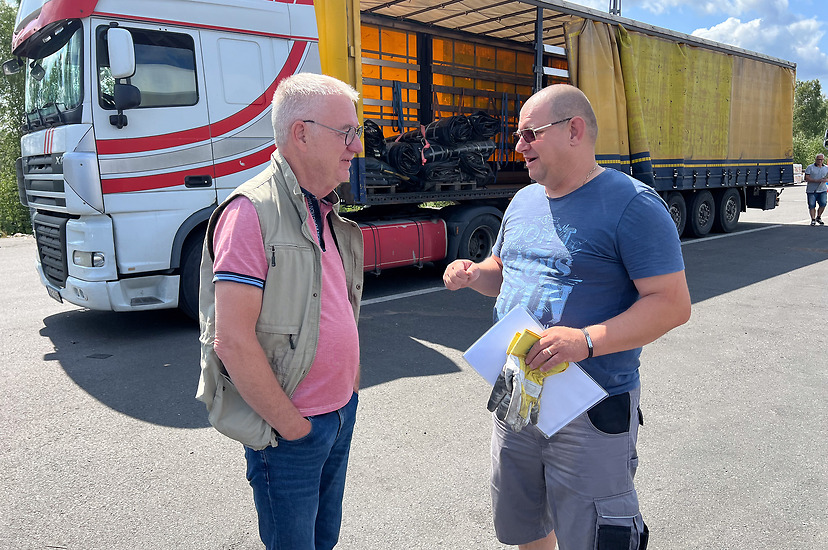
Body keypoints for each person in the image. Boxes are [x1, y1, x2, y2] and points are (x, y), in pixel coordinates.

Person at [443, 84, 691, 550]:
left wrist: (586, 340)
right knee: (525, 523)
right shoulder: (523, 201)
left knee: (596, 534)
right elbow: (504, 271)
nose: (519, 147)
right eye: (518, 136)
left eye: (529, 134)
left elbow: (672, 303)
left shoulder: (633, 205)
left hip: (590, 405)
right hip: (517, 391)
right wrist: (475, 274)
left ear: (574, 130)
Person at [196, 73, 365, 550]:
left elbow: (340, 305)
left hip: (338, 416)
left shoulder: (324, 209)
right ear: (301, 133)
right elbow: (231, 340)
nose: (356, 146)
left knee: (324, 539)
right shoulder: (251, 213)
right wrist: (294, 429)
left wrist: (350, 392)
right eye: (347, 132)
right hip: (291, 433)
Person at [804, 153, 828, 226]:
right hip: (811, 190)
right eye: (818, 159)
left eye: (821, 159)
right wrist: (816, 180)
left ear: (823, 160)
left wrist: (826, 180)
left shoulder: (826, 168)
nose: (820, 161)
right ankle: (813, 219)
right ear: (816, 160)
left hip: (822, 189)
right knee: (812, 205)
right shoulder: (810, 167)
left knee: (823, 203)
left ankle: (819, 217)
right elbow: (806, 178)